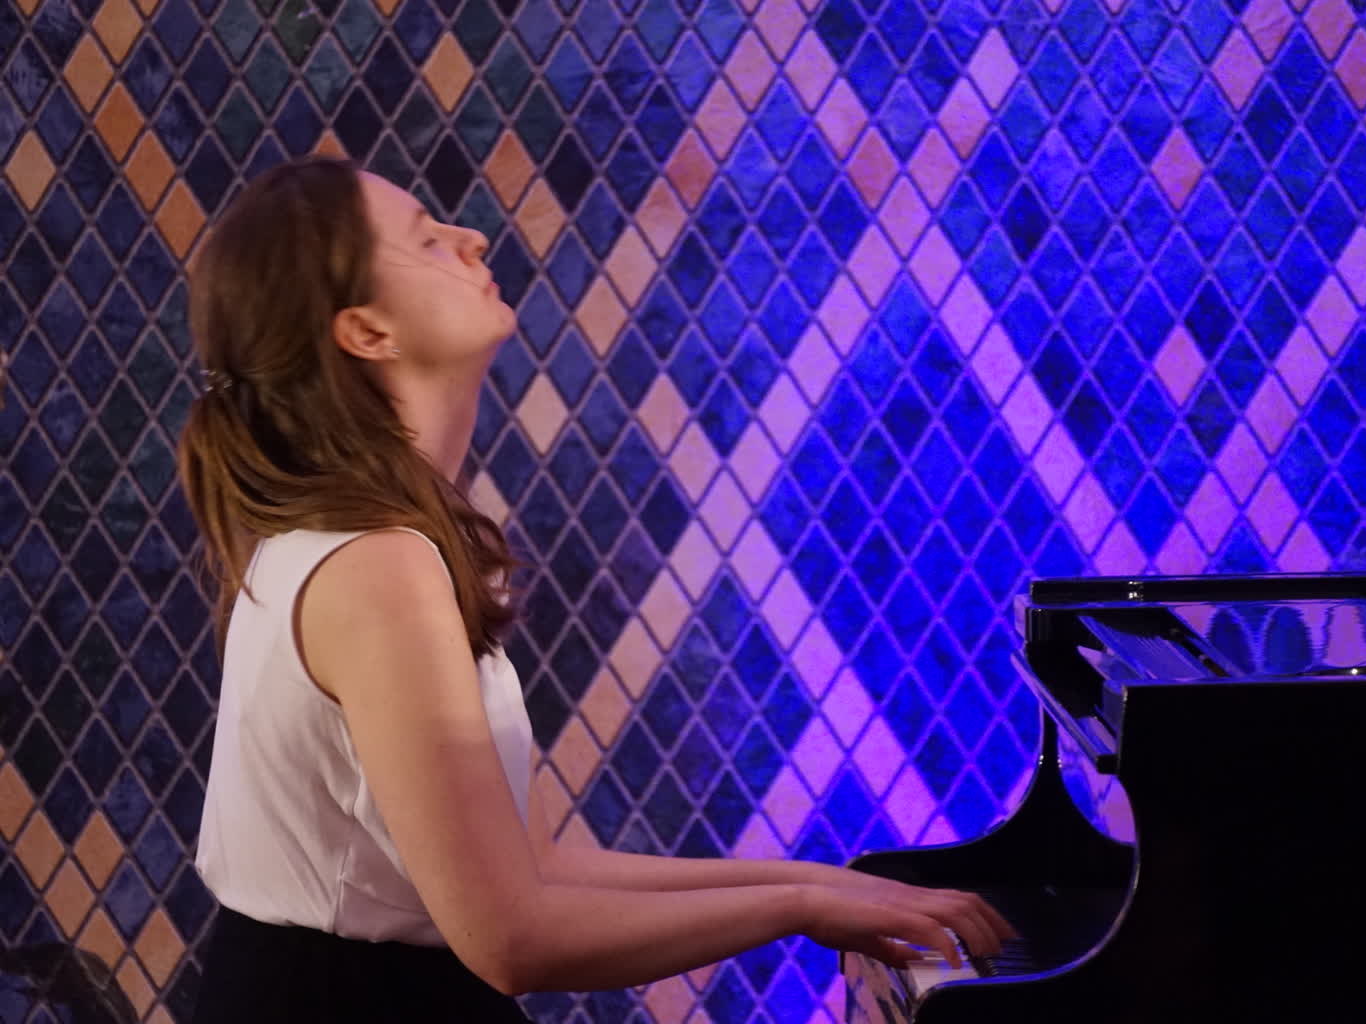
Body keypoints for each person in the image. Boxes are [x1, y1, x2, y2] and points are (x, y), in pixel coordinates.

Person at [177, 157, 1014, 1023]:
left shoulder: (372, 539)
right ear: (366, 331)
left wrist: (818, 884)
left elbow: (538, 864)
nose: (472, 239)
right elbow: (512, 941)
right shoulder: (376, 567)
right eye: (427, 241)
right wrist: (799, 910)